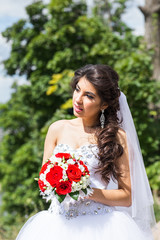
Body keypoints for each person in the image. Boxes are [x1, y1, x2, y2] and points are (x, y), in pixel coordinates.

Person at [16, 64, 155, 240]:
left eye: (89, 96)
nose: (78, 99)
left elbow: (126, 197)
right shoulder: (57, 129)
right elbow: (44, 181)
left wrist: (84, 190)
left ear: (104, 104)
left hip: (101, 226)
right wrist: (58, 184)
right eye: (77, 90)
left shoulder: (117, 137)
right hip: (56, 226)